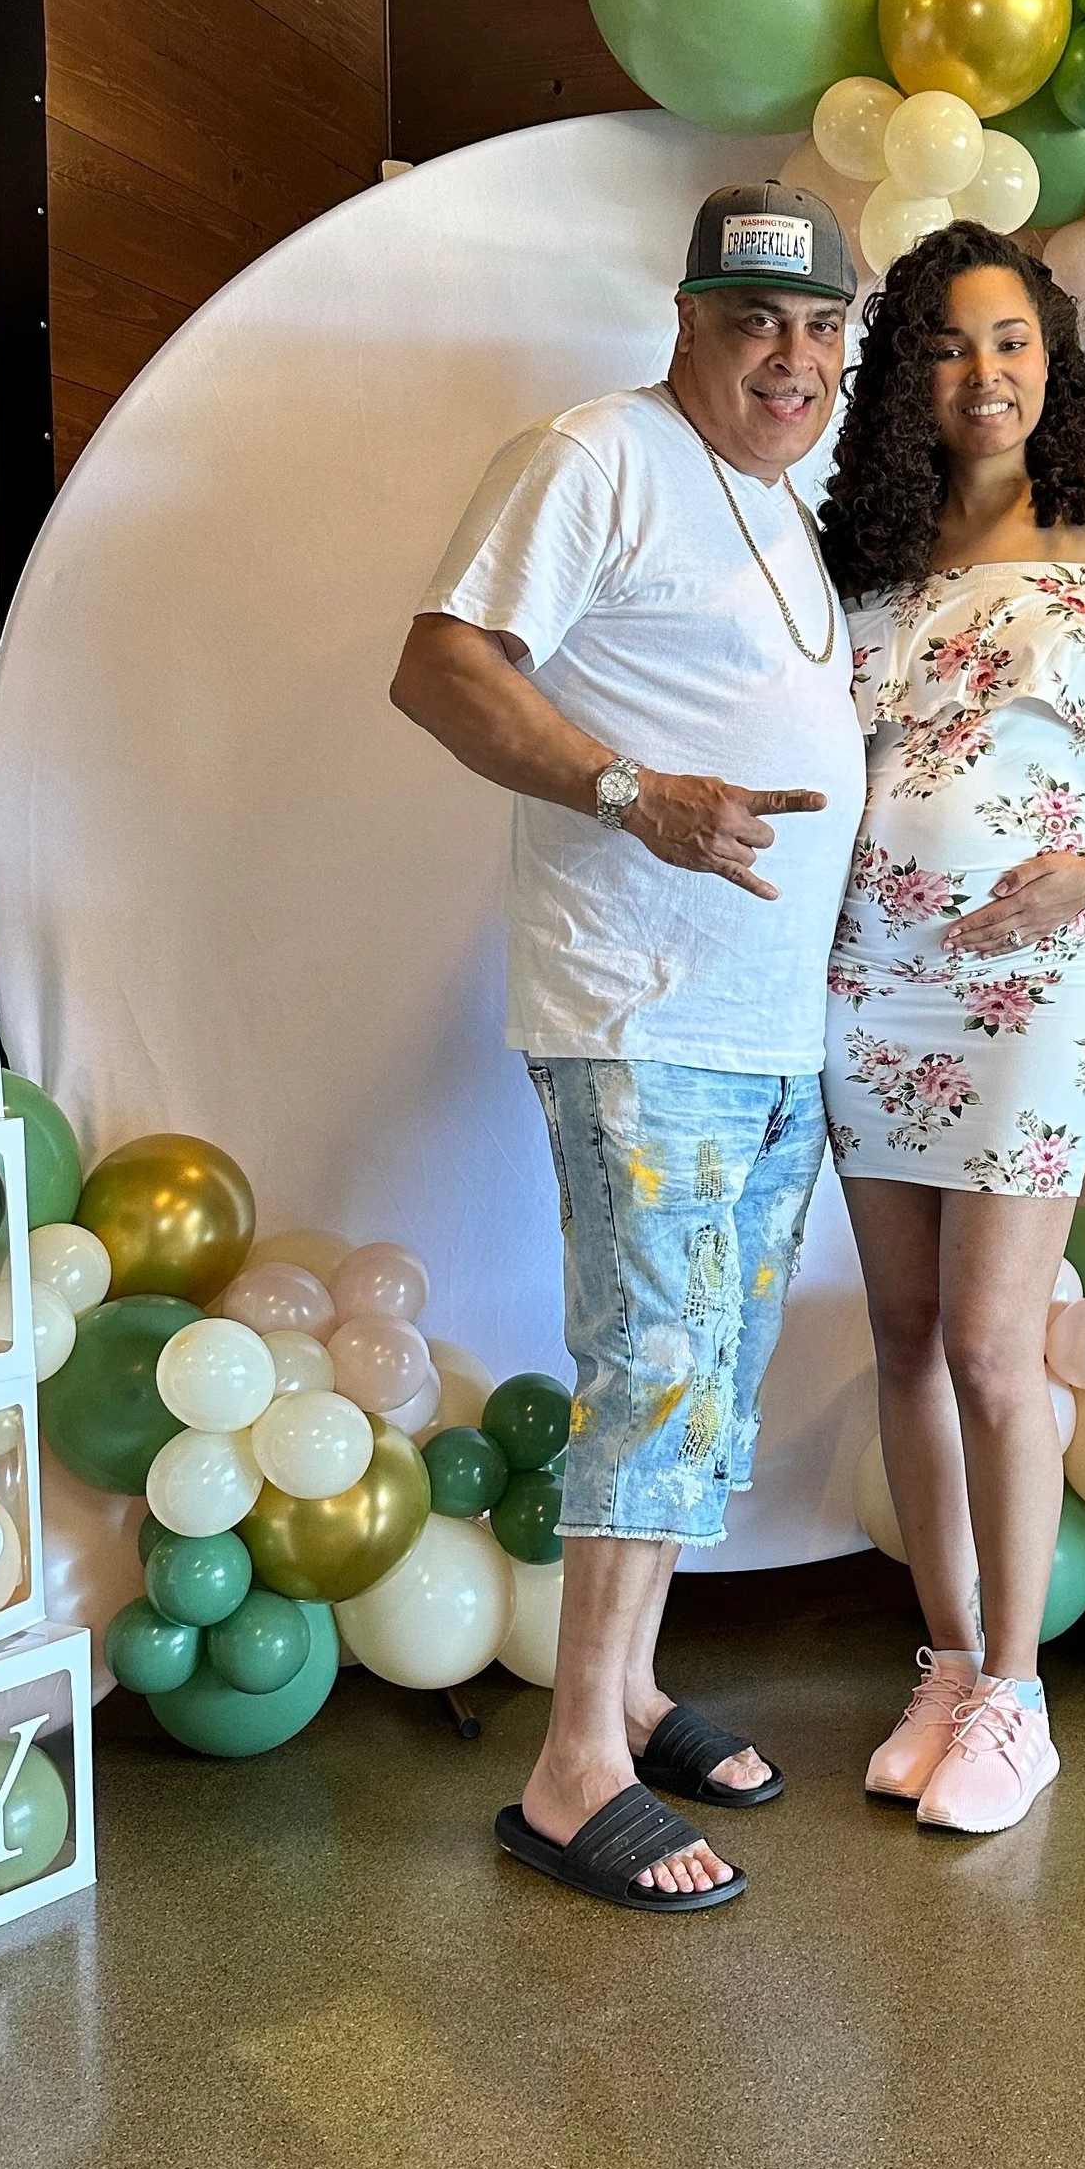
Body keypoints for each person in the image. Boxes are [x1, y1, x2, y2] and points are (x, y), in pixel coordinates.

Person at [391, 181, 862, 1912]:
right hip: (639, 1013)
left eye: (821, 329)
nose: (791, 359)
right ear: (683, 319)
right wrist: (628, 792)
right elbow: (442, 667)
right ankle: (572, 1770)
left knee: (706, 1374)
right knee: (652, 1357)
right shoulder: (595, 453)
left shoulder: (773, 502)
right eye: (756, 322)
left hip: (760, 1029)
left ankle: (634, 1686)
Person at [820, 220, 1085, 1836]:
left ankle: (1019, 1697)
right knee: (909, 1343)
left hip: (1023, 997)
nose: (979, 374)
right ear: (904, 377)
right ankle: (944, 1661)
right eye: (942, 345)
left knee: (997, 1348)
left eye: (1007, 341)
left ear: (1049, 362)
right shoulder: (861, 556)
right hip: (863, 988)